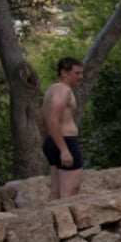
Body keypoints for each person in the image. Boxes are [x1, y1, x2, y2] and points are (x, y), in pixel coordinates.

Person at [38, 56, 85, 199]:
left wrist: (48, 139)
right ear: (64, 73)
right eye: (77, 73)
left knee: (56, 191)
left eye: (81, 73)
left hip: (54, 141)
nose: (80, 77)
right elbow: (52, 118)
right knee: (70, 191)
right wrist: (64, 149)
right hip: (65, 142)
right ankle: (65, 221)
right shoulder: (63, 90)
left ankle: (50, 221)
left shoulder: (52, 89)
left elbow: (41, 118)